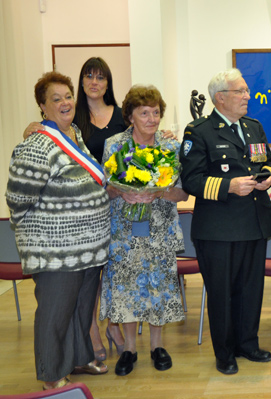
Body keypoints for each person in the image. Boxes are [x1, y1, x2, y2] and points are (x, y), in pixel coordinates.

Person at [6, 71, 110, 390]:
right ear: (42, 106)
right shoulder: (37, 144)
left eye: (68, 96)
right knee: (55, 314)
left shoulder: (75, 134)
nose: (65, 103)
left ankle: (78, 359)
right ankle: (52, 376)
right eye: (56, 98)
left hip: (88, 249)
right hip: (56, 253)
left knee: (80, 310)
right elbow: (17, 199)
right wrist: (52, 225)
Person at [23, 57, 128, 361]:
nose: (94, 82)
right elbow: (25, 190)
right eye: (88, 77)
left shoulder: (120, 117)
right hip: (70, 227)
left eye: (101, 77)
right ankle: (91, 335)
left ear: (108, 82)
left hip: (115, 208)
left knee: (107, 277)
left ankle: (109, 329)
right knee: (77, 291)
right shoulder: (71, 120)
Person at [180, 69, 271, 375]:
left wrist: (267, 180)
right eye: (241, 91)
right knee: (221, 293)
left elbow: (269, 166)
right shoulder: (199, 131)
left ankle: (248, 344)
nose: (248, 96)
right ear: (221, 97)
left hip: (253, 222)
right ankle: (224, 353)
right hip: (218, 228)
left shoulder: (253, 127)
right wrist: (229, 186)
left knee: (251, 289)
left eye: (247, 91)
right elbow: (191, 181)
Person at [99, 85, 188, 376]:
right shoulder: (115, 144)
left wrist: (160, 192)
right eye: (144, 113)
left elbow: (183, 193)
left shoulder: (170, 145)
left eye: (156, 112)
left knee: (158, 286)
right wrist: (122, 192)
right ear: (131, 116)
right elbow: (105, 189)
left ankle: (157, 346)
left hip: (159, 230)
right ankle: (128, 348)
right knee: (126, 287)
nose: (152, 119)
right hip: (124, 232)